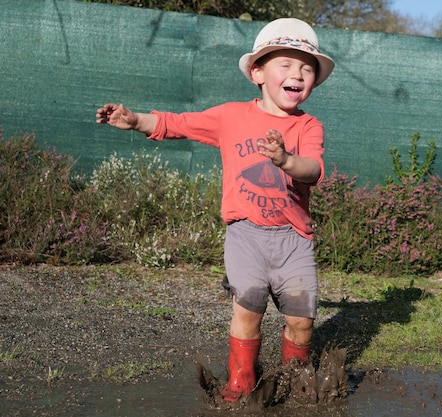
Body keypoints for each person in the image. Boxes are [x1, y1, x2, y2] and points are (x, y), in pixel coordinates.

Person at [96, 18, 335, 402]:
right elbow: (178, 124)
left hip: (294, 239)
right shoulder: (231, 116)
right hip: (246, 234)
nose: (298, 74)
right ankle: (240, 383)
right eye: (286, 65)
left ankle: (294, 383)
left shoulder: (309, 126)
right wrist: (136, 120)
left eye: (307, 68)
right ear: (258, 72)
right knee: (248, 309)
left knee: (302, 322)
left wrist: (286, 160)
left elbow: (314, 169)